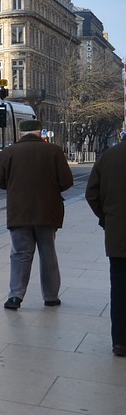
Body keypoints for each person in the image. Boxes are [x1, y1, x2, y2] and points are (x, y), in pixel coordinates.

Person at [0, 118, 73, 310]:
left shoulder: (8, 152)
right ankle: (51, 296)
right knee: (48, 253)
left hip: (19, 210)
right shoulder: (54, 151)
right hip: (48, 210)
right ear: (40, 132)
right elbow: (67, 181)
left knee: (20, 253)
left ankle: (15, 296)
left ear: (20, 133)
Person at [85, 139, 126, 357]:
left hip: (118, 234)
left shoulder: (108, 156)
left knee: (119, 288)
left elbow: (91, 193)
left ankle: (120, 342)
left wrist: (107, 218)